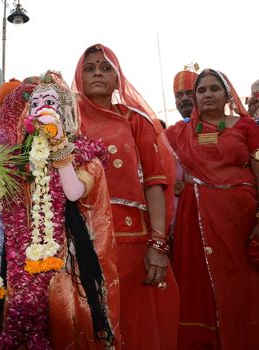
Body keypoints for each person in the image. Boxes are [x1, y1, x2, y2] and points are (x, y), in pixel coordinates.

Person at [0, 72, 120, 349]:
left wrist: (58, 146)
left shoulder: (83, 154)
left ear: (66, 111)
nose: (41, 107)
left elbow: (73, 192)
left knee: (63, 325)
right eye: (35, 103)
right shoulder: (17, 160)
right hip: (22, 263)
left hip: (65, 263)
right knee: (20, 323)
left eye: (50, 101)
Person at [72, 43, 180, 349]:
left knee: (135, 324)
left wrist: (158, 244)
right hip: (81, 239)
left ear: (118, 79)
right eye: (90, 68)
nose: (97, 73)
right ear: (79, 75)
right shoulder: (64, 121)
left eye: (105, 68)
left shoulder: (136, 121)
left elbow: (155, 185)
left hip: (132, 241)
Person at [166, 68, 259, 349]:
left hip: (241, 219)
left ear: (227, 94)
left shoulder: (245, 127)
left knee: (245, 287)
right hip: (196, 221)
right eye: (201, 90)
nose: (207, 94)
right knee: (201, 287)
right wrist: (180, 181)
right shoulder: (180, 132)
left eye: (214, 89)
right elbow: (157, 160)